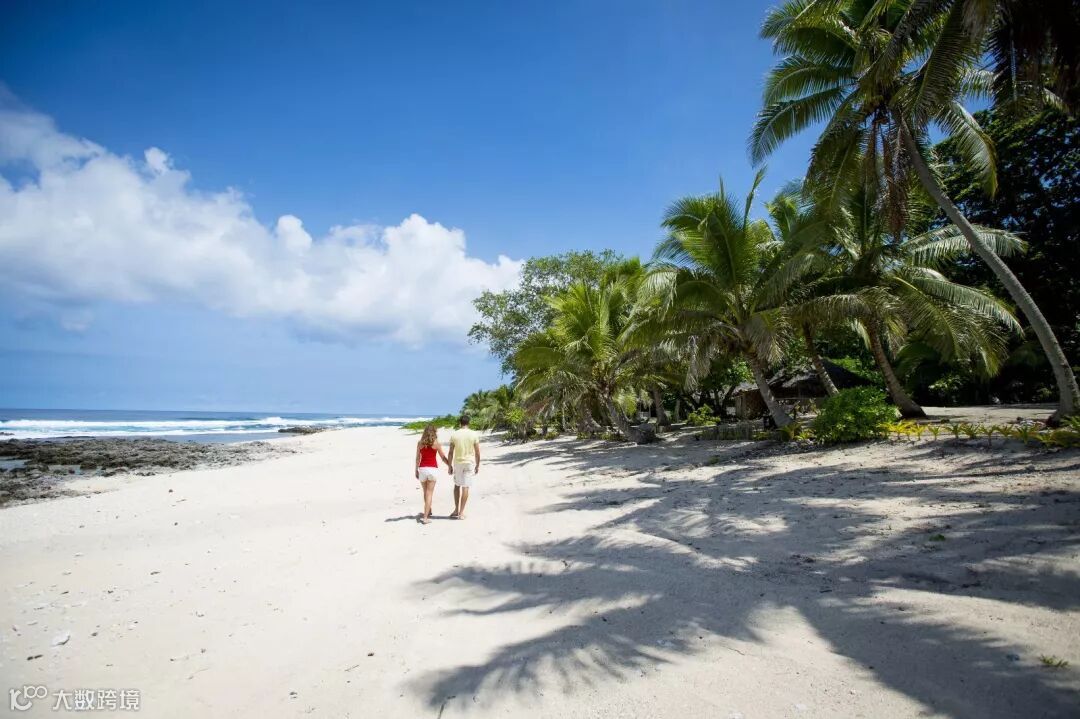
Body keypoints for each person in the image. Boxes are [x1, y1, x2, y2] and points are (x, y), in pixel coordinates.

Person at [447, 414, 481, 519]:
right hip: (469, 462)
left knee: (457, 485)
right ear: (468, 423)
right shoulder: (474, 434)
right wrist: (477, 465)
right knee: (465, 487)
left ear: (460, 423)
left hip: (458, 463)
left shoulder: (454, 435)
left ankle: (456, 510)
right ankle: (461, 513)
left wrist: (449, 466)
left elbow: (450, 452)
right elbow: (477, 452)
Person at [414, 424, 449, 524]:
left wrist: (416, 470)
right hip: (432, 469)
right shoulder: (436, 443)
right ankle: (425, 518)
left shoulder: (420, 443)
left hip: (422, 469)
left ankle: (428, 511)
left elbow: (418, 458)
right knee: (429, 493)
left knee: (425, 492)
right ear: (434, 432)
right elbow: (443, 457)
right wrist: (449, 465)